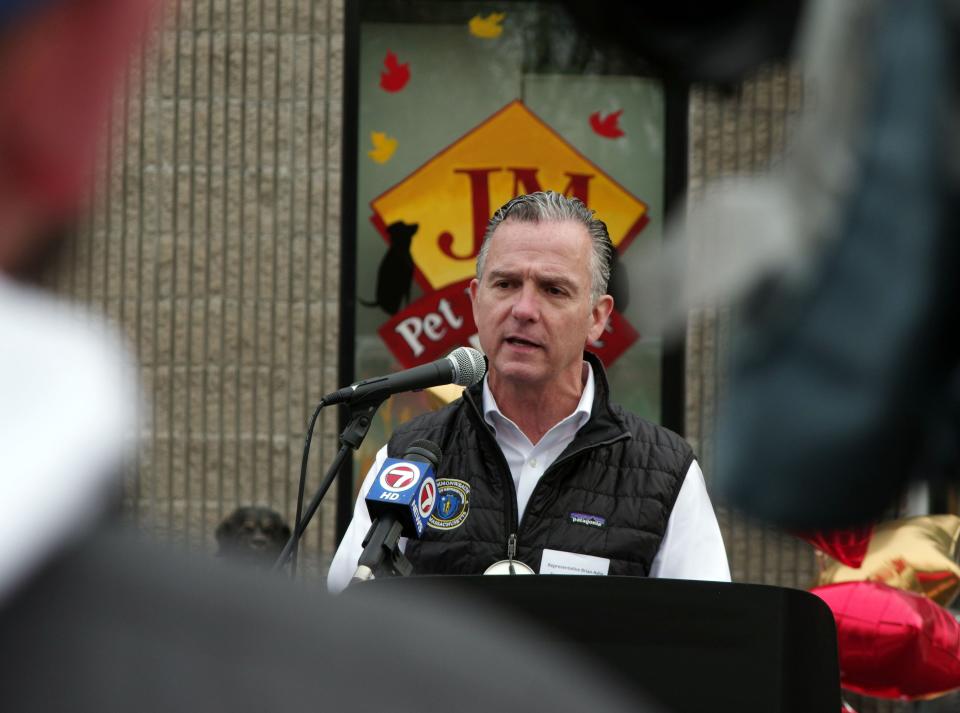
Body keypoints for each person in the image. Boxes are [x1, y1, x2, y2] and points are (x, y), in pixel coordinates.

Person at [328, 191, 730, 592]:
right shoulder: (408, 455)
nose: (523, 309)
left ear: (597, 318)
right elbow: (344, 614)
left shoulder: (664, 473)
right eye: (505, 284)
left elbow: (708, 640)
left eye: (553, 290)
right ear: (475, 301)